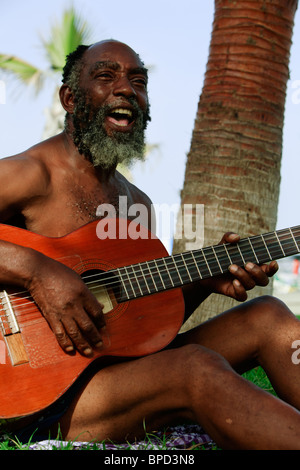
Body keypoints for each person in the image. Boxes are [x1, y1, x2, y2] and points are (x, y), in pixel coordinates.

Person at [1, 39, 300, 450]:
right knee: (194, 368)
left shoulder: (135, 203)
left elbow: (135, 326)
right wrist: (35, 271)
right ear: (70, 98)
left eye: (138, 80)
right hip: (34, 397)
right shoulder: (28, 175)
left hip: (111, 377)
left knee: (268, 315)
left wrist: (203, 280)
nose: (127, 88)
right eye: (106, 76)